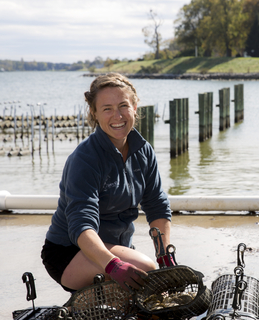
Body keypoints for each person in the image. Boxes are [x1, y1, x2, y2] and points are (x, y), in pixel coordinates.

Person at [41, 73, 172, 293]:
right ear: (94, 113)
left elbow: (157, 205)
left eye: (123, 105)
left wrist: (165, 256)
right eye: (107, 108)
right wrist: (114, 265)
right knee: (146, 270)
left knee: (149, 288)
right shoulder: (85, 159)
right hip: (70, 251)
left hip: (116, 247)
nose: (117, 115)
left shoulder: (144, 151)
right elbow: (82, 225)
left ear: (135, 106)